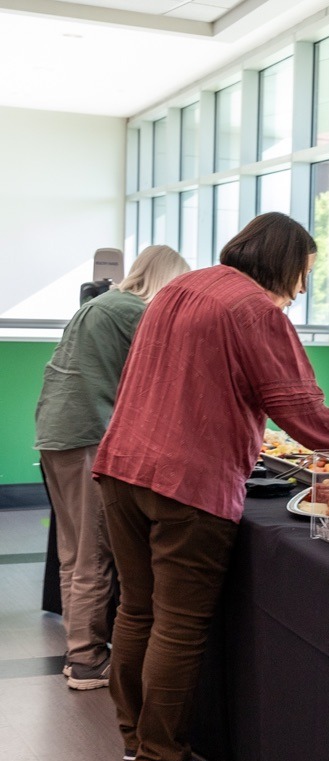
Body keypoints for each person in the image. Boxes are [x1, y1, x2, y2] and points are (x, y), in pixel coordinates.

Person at [95, 213, 329, 761]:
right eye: (304, 274)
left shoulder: (183, 286)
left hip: (122, 465)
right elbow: (303, 414)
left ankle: (136, 742)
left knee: (136, 611)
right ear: (282, 263)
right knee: (178, 626)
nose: (303, 290)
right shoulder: (254, 309)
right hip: (186, 483)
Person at [35, 245, 190, 690]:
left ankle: (77, 652)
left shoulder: (102, 304)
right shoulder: (134, 312)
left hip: (57, 433)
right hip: (86, 435)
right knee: (94, 554)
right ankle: (86, 660)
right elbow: (165, 378)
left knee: (73, 552)